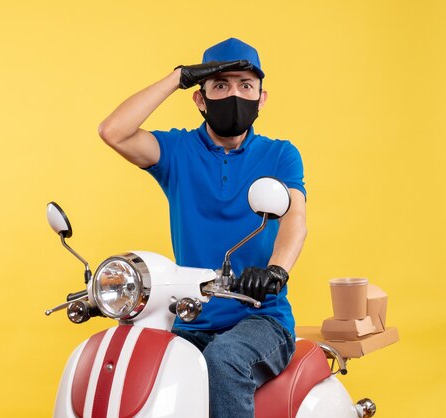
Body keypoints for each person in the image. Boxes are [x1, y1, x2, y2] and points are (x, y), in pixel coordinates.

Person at [98, 38, 307, 418]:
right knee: (140, 364)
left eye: (246, 85)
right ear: (200, 98)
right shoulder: (177, 151)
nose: (234, 94)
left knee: (225, 360)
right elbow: (113, 131)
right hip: (191, 316)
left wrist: (276, 270)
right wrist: (177, 78)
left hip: (262, 318)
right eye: (220, 85)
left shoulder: (280, 154)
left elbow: (295, 219)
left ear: (261, 98)